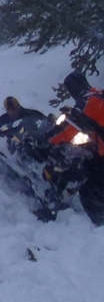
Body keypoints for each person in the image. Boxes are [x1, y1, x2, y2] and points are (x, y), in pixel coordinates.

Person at [48, 70, 104, 225]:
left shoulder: (88, 102)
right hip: (99, 147)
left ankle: (98, 222)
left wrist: (50, 140)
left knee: (90, 185)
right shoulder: (97, 93)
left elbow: (70, 130)